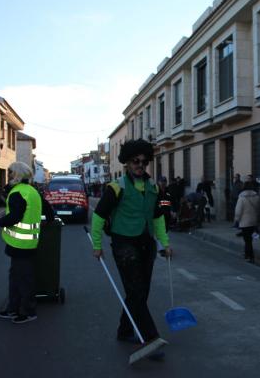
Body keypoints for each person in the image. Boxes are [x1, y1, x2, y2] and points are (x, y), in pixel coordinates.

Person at [89, 139, 170, 360]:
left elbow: (158, 217)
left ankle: (124, 331)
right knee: (136, 291)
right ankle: (151, 339)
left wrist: (165, 243)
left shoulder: (153, 187)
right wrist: (97, 245)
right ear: (127, 162)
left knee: (140, 292)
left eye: (144, 162)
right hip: (124, 245)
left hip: (146, 245)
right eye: (135, 161)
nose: (140, 165)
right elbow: (98, 217)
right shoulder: (116, 188)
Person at [0, 162, 53, 324]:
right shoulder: (32, 192)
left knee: (22, 278)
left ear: (17, 175)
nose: (8, 176)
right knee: (17, 277)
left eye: (10, 173)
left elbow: (14, 217)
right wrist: (46, 222)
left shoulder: (17, 193)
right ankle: (13, 308)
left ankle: (27, 311)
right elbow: (49, 212)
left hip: (19, 244)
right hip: (28, 243)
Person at [234, 181, 260, 263]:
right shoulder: (256, 196)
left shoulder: (242, 197)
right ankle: (247, 254)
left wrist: (236, 220)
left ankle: (250, 256)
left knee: (247, 239)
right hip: (254, 220)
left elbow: (238, 210)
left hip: (245, 221)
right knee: (250, 239)